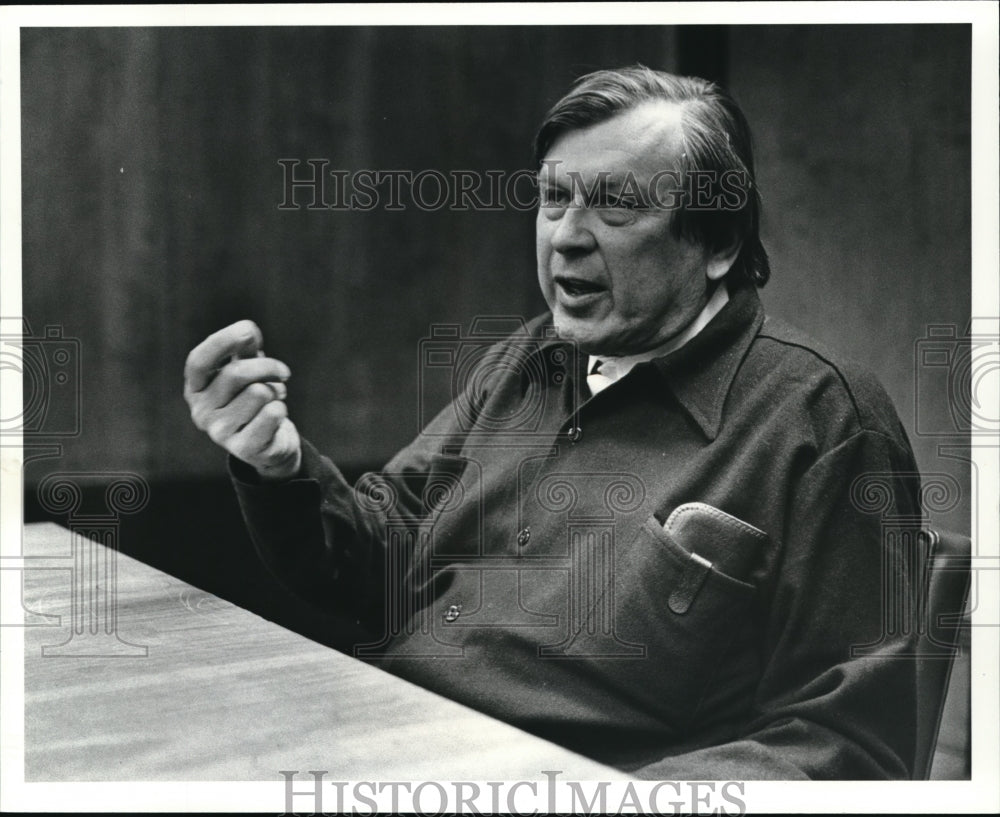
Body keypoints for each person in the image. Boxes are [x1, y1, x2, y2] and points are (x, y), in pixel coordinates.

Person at [184, 66, 923, 780]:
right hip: (385, 747)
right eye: (553, 200)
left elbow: (843, 745)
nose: (565, 237)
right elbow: (381, 567)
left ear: (718, 243)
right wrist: (280, 469)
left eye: (615, 207)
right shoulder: (528, 360)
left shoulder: (823, 419)